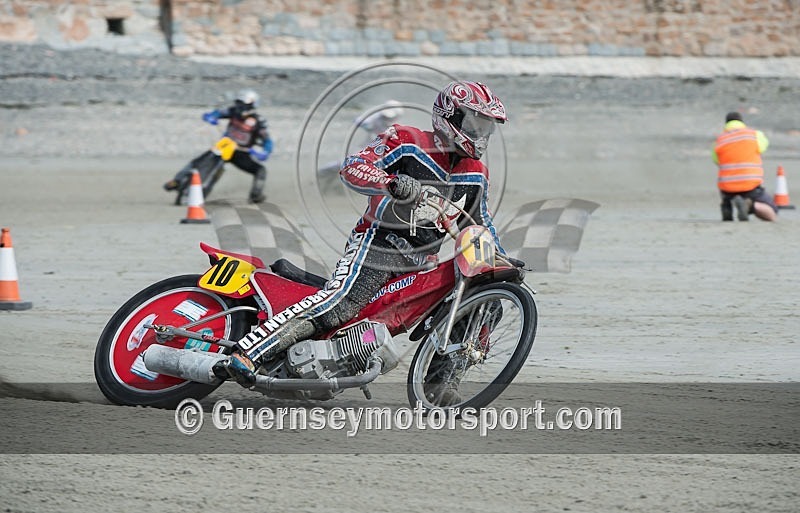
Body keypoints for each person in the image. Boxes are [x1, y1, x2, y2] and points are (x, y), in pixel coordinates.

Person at [216, 81, 514, 404]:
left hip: (419, 266)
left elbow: (480, 223)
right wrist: (391, 183)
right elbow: (353, 167)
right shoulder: (407, 140)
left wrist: (502, 262)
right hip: (377, 245)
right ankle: (248, 352)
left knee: (486, 302)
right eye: (475, 123)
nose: (481, 134)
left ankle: (440, 386)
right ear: (450, 116)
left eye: (487, 127)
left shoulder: (477, 173)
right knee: (341, 304)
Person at [164, 88, 273, 203]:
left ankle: (255, 195)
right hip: (224, 146)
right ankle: (177, 181)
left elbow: (267, 140)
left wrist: (265, 152)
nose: (240, 107)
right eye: (238, 103)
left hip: (241, 152)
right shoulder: (233, 111)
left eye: (243, 104)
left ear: (252, 105)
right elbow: (217, 113)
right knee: (198, 162)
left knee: (261, 170)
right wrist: (211, 117)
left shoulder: (258, 121)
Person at [713, 111, 777, 222]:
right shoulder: (754, 135)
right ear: (742, 122)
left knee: (727, 193)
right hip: (750, 184)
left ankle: (726, 205)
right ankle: (750, 205)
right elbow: (763, 147)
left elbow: (717, 161)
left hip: (726, 187)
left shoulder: (719, 140)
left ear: (726, 124)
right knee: (772, 213)